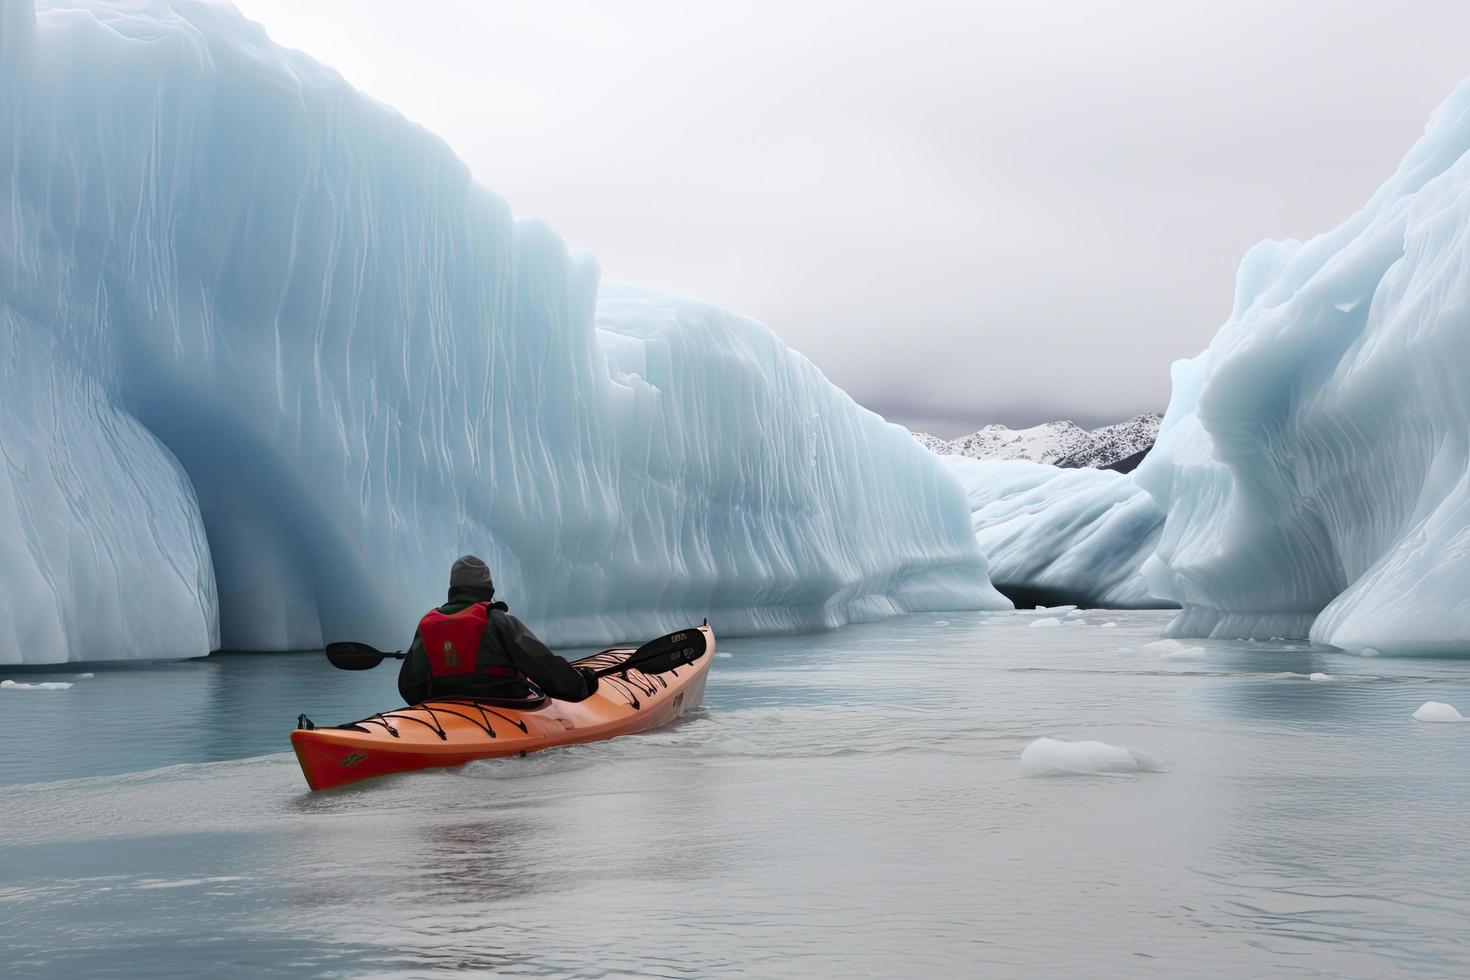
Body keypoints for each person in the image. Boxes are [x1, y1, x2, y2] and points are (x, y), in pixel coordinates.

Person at [397, 555, 599, 705]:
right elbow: (541, 665)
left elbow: (408, 688)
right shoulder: (497, 620)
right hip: (502, 704)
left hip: (443, 708)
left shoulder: (427, 624)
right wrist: (581, 685)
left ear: (452, 591)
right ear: (488, 591)